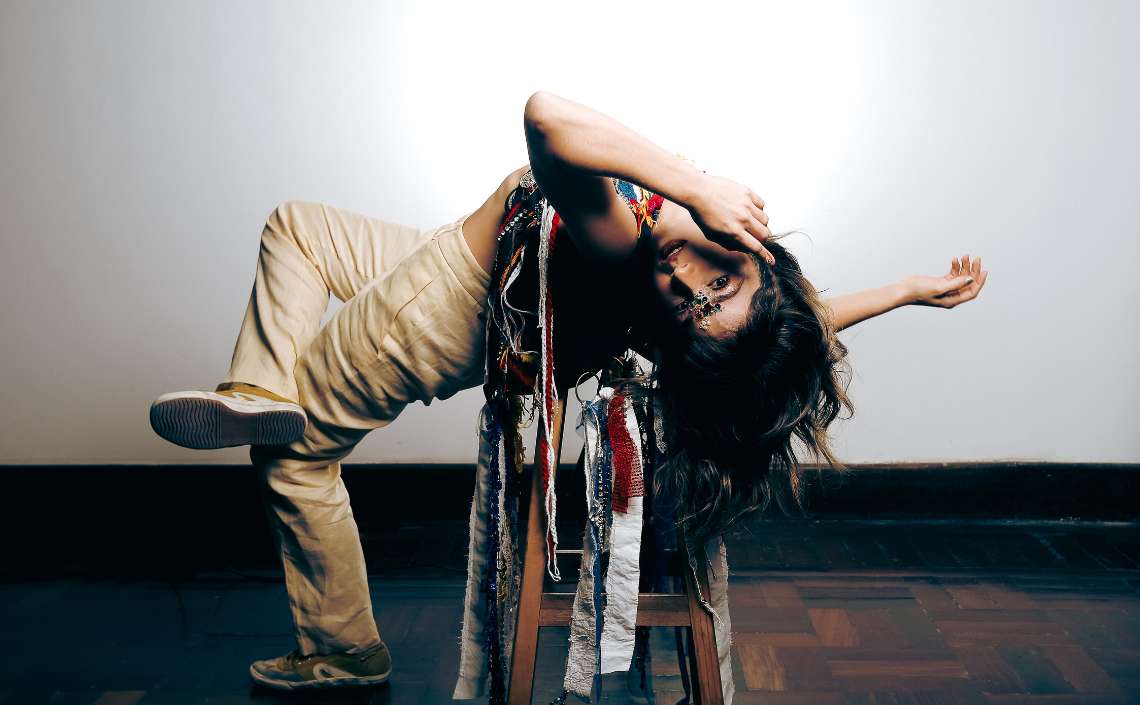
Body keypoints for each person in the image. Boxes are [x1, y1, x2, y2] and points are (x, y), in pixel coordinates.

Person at [149, 91, 988, 691]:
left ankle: (344, 651)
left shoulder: (623, 242)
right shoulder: (740, 285)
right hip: (453, 255)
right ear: (769, 270)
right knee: (298, 228)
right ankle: (256, 383)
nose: (685, 282)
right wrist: (908, 290)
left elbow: (546, 117)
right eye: (718, 287)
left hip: (439, 311)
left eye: (689, 307)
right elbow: (788, 326)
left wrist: (696, 188)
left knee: (293, 455)